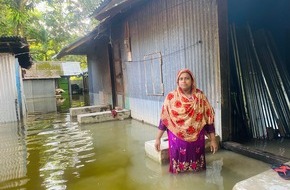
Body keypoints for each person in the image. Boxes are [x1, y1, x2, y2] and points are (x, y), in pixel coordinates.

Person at [154, 68, 218, 174]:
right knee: (178, 169)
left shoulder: (200, 97)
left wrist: (213, 140)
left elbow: (208, 120)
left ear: (192, 81)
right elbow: (164, 120)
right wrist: (157, 139)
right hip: (177, 139)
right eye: (181, 79)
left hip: (197, 139)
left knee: (197, 169)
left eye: (187, 78)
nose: (184, 81)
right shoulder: (171, 97)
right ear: (178, 82)